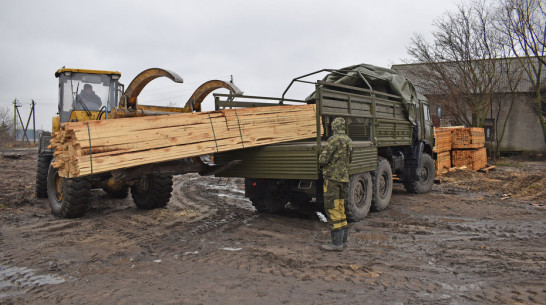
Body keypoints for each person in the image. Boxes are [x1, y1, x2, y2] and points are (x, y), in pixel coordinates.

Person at [318, 117, 354, 252]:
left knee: (332, 209)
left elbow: (323, 160)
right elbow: (350, 159)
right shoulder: (349, 141)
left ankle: (336, 243)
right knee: (340, 208)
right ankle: (343, 241)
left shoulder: (333, 140)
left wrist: (320, 156)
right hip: (344, 179)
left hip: (332, 179)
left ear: (334, 127)